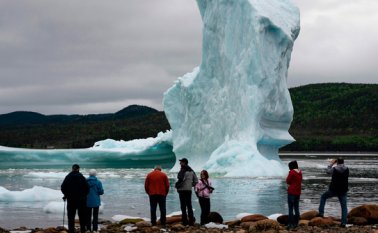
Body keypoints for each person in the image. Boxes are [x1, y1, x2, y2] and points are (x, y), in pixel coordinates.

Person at [318, 158, 349, 227]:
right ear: (343, 162)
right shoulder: (347, 169)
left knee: (323, 197)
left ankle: (321, 213)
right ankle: (343, 223)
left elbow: (327, 172)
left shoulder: (334, 169)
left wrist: (331, 164)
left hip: (333, 189)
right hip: (343, 190)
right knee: (344, 206)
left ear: (337, 162)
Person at [61, 164, 89, 233]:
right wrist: (84, 195)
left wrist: (66, 195)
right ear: (78, 169)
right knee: (82, 217)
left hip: (71, 200)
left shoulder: (67, 177)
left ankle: (71, 231)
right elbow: (87, 188)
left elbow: (63, 187)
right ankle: (82, 230)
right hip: (81, 200)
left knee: (71, 217)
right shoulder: (82, 177)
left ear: (72, 169)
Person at [175, 158, 198, 226]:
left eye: (181, 162)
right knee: (189, 205)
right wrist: (190, 185)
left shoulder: (183, 171)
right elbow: (196, 181)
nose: (180, 163)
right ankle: (191, 222)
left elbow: (180, 179)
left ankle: (184, 222)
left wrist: (178, 186)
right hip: (188, 190)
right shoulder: (191, 171)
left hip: (182, 190)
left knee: (183, 206)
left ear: (184, 163)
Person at [286, 160, 302, 230]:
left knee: (290, 208)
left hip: (291, 192)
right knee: (296, 208)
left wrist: (290, 173)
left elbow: (287, 181)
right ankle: (296, 223)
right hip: (298, 192)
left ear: (291, 167)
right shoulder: (300, 172)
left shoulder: (292, 172)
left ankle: (290, 224)